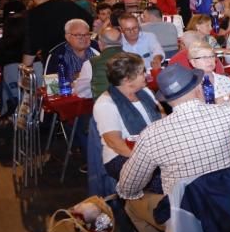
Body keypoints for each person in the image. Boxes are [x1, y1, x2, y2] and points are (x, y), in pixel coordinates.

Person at [117, 65, 230, 232]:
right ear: (198, 88)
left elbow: (128, 186)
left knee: (130, 204)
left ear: (165, 100)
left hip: (188, 218)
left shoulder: (151, 135)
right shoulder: (228, 113)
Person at [93, 52, 163, 180]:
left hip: (153, 150)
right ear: (127, 79)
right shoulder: (105, 104)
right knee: (164, 178)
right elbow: (115, 143)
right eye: (142, 73)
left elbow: (163, 117)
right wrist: (149, 162)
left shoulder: (146, 92)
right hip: (122, 157)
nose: (146, 75)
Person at [21, 0, 93, 71]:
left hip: (55, 62)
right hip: (82, 57)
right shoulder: (70, 5)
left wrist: (25, 66)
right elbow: (89, 21)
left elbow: (30, 45)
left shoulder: (33, 14)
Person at [45, 19, 99, 97]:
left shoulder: (98, 49)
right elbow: (51, 88)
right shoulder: (57, 55)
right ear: (67, 37)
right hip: (69, 101)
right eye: (78, 35)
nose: (83, 38)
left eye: (87, 34)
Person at [82, 27, 124, 99]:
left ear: (100, 43)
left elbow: (82, 93)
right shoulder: (136, 58)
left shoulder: (90, 64)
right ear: (122, 42)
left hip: (105, 107)